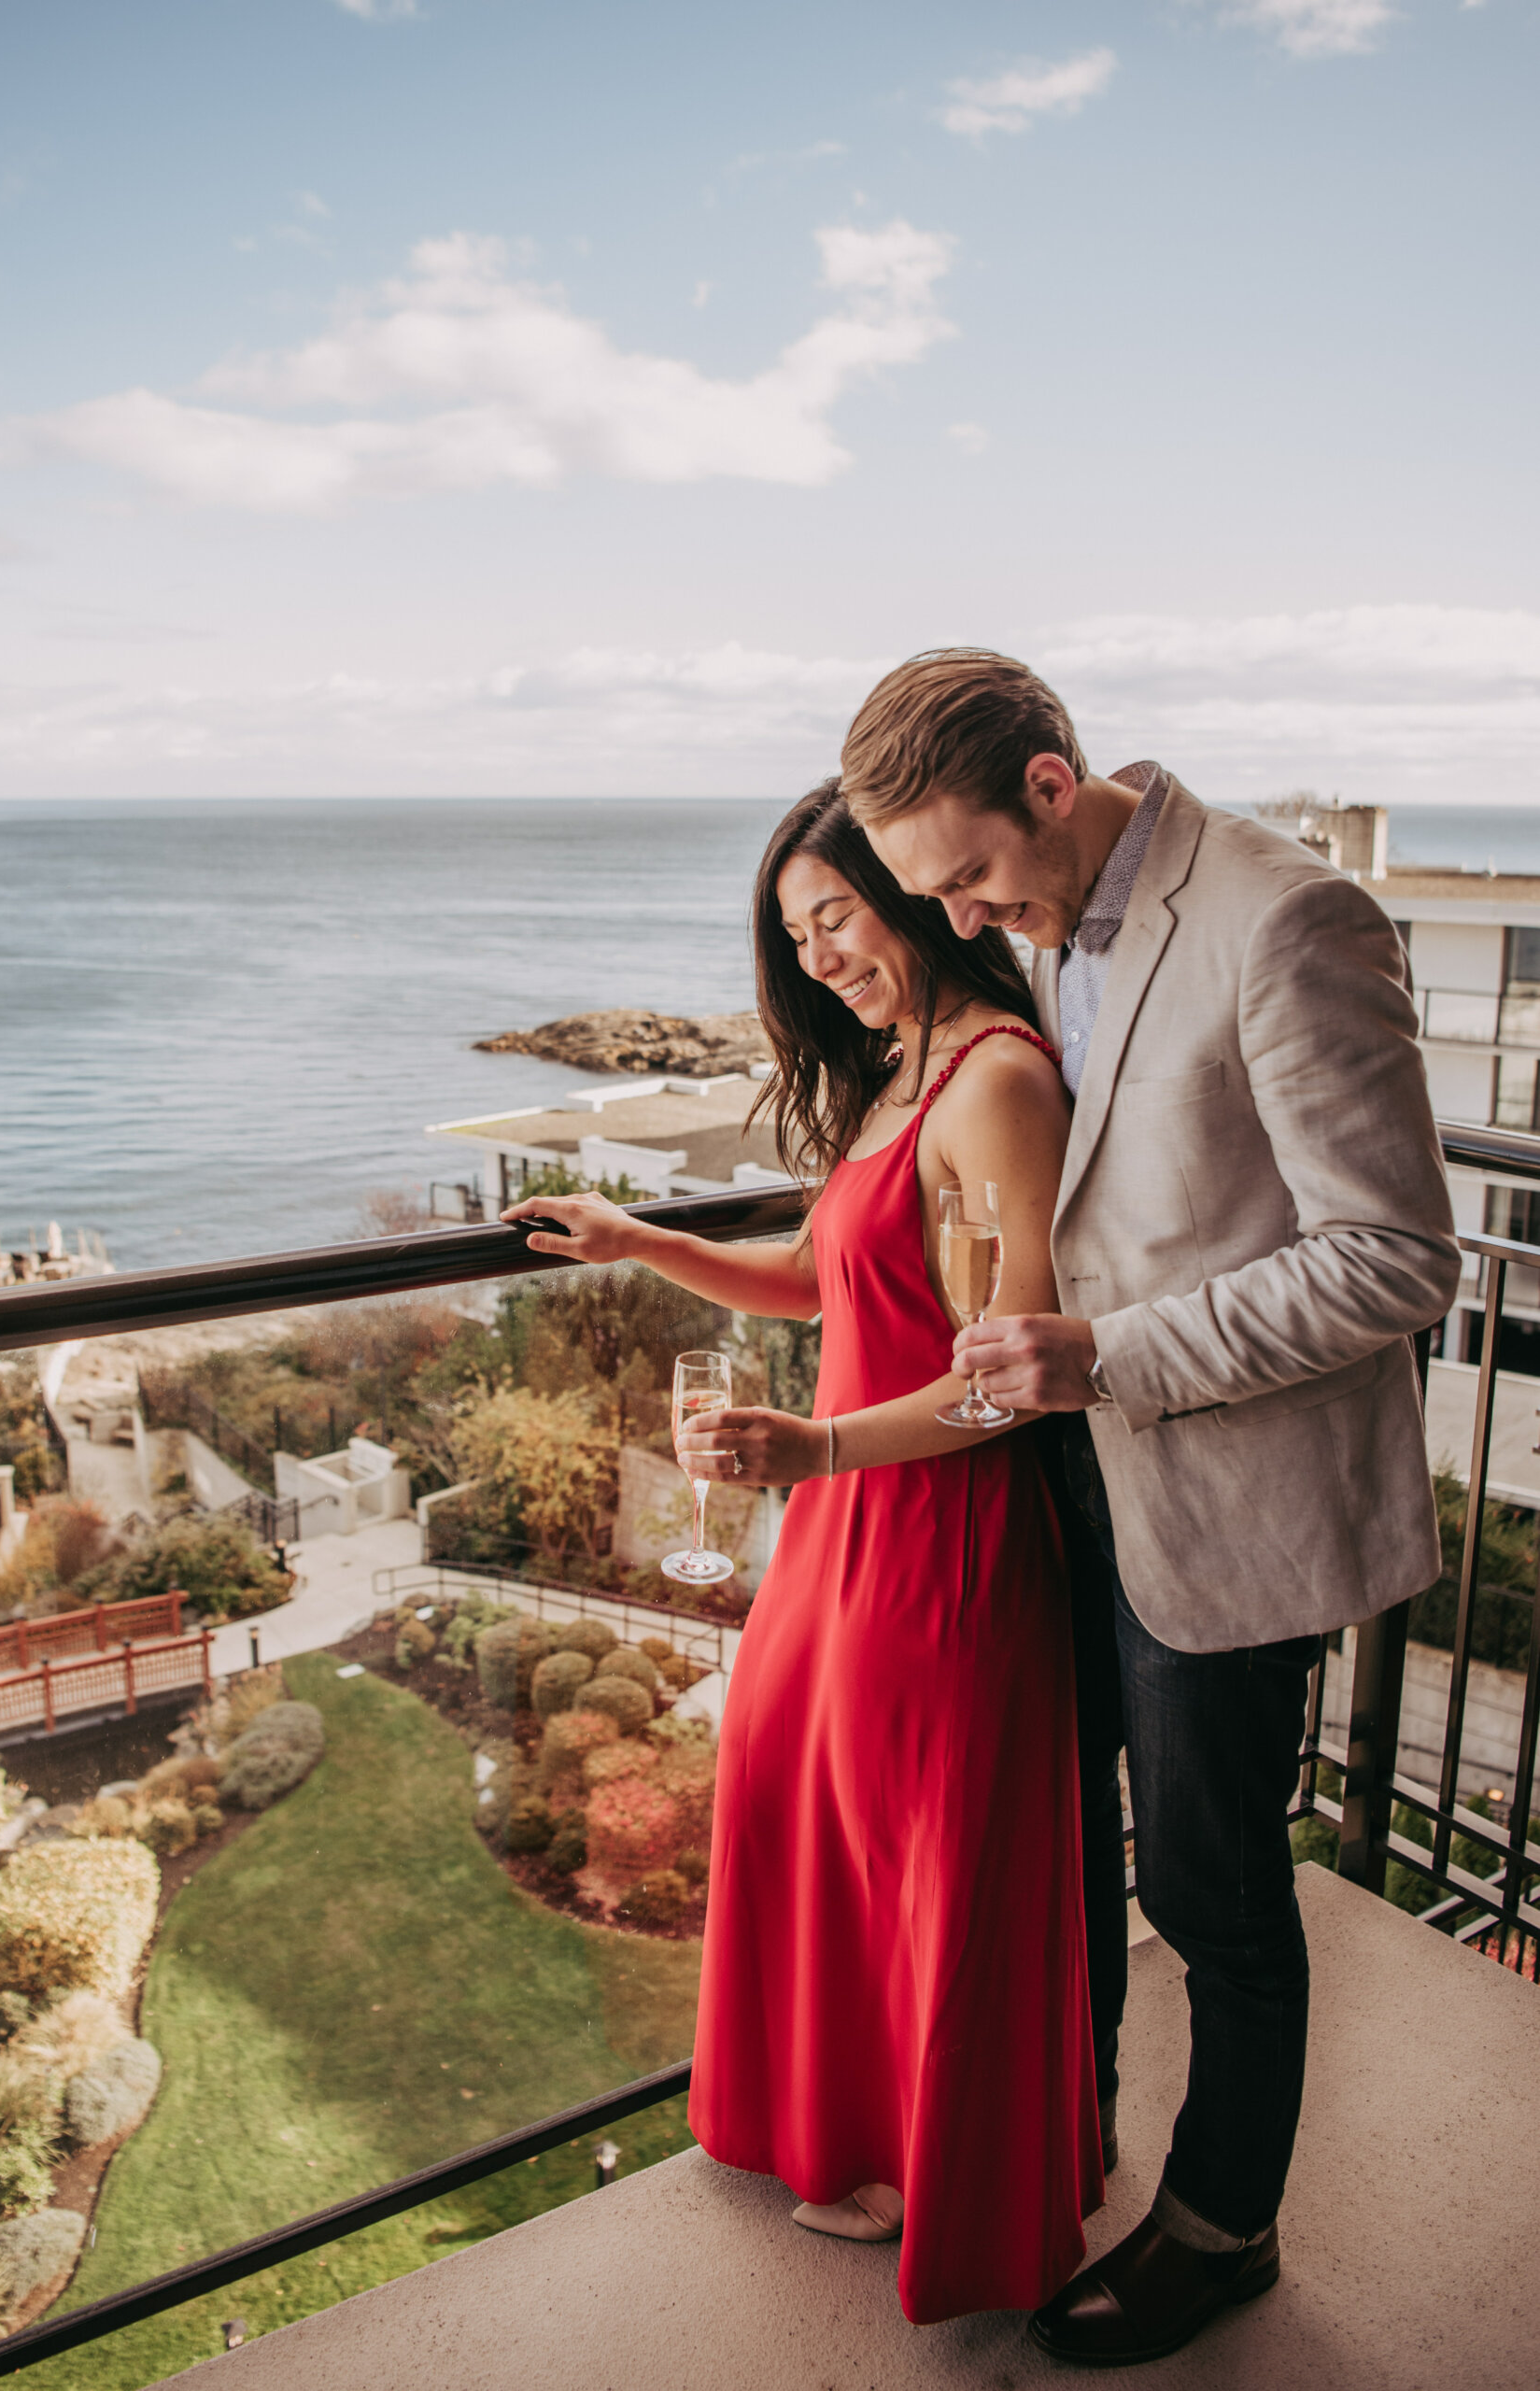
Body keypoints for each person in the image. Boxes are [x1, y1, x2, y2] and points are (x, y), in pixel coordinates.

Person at [840, 650, 1461, 2366]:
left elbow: (1395, 1260)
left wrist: (1101, 1353)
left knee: (1209, 1891)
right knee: (1063, 1861)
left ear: (1051, 781)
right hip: (1074, 1485)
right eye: (926, 894)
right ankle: (1063, 2153)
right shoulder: (1043, 932)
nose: (961, 918)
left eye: (965, 873)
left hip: (1228, 1497)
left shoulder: (1287, 917)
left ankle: (1219, 2230)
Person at [505, 780, 1103, 2325]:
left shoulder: (994, 1083)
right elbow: (819, 1282)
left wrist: (811, 1450)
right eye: (795, 931)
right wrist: (646, 1242)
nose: (822, 952)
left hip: (942, 1536)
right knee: (806, 1815)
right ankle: (853, 2136)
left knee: (929, 1869)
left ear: (909, 890)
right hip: (842, 1528)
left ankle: (955, 2190)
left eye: (836, 912)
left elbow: (1005, 1374)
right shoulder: (902, 1070)